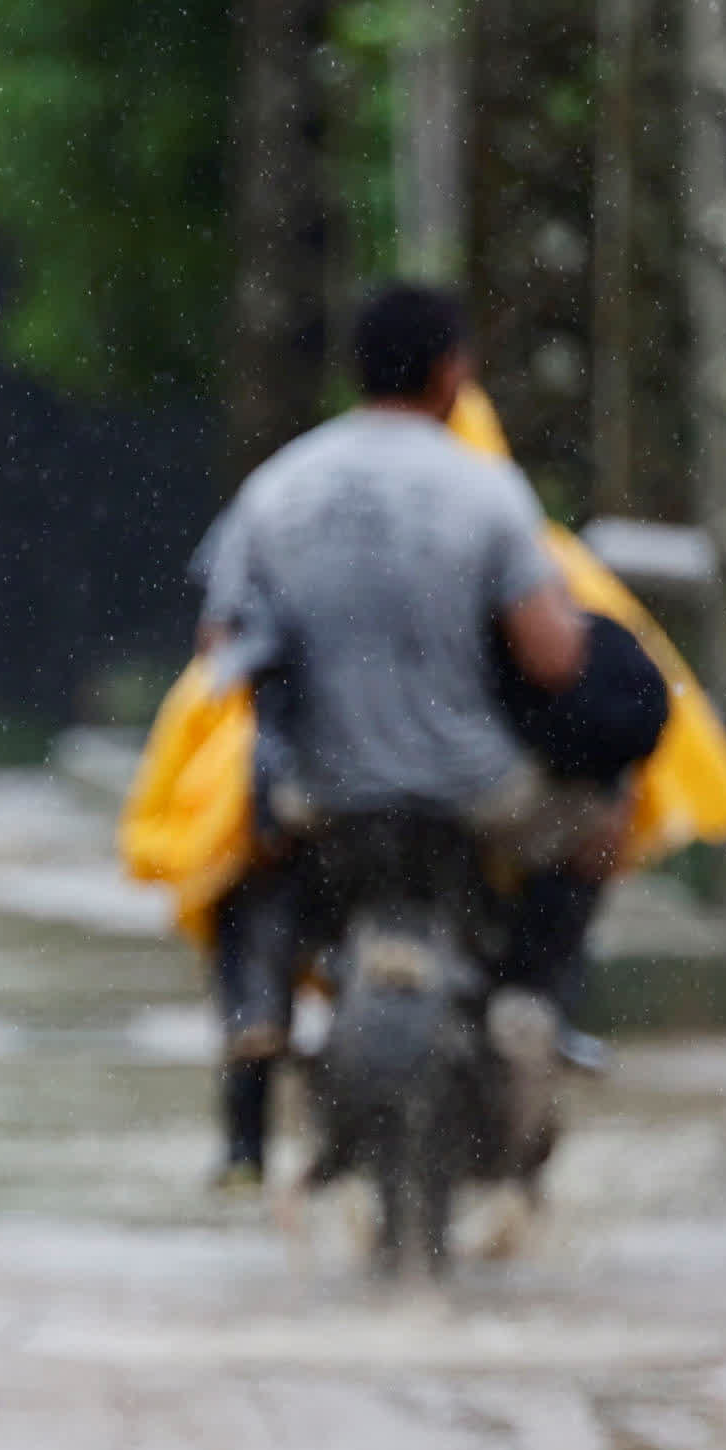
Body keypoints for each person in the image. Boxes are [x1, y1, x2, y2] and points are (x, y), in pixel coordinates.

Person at [192, 283, 603, 1185]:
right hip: (473, 794)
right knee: (600, 823)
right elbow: (552, 659)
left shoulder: (278, 488)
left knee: (236, 867)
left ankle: (254, 1023)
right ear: (452, 372)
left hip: (324, 794)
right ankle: (535, 997)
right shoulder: (485, 490)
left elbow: (216, 653)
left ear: (355, 372)